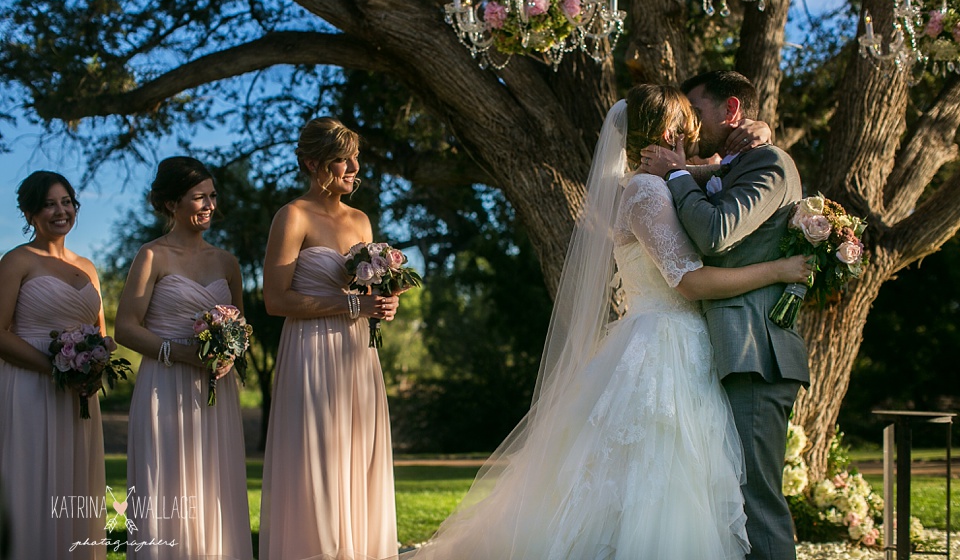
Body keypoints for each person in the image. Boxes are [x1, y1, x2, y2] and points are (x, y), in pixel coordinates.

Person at [400, 85, 812, 560]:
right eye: (688, 123)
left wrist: (755, 135)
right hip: (662, 346)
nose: (696, 134)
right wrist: (778, 270)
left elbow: (715, 172)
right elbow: (691, 283)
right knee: (648, 483)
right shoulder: (645, 190)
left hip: (685, 344)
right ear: (665, 132)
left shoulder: (662, 182)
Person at [640, 70, 808, 560]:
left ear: (730, 110)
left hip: (756, 352)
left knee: (757, 506)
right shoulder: (733, 166)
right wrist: (679, 172)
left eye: (697, 112)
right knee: (730, 504)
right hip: (728, 351)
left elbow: (715, 232)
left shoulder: (770, 163)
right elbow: (710, 180)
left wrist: (673, 174)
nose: (690, 127)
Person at [259, 117, 400, 560]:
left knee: (359, 454)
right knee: (315, 459)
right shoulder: (293, 216)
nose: (355, 167)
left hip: (358, 354)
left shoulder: (361, 221)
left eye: (355, 157)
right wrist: (352, 307)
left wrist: (385, 304)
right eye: (343, 159)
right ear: (312, 163)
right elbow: (275, 300)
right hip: (310, 351)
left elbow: (367, 292)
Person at [115, 157, 252, 560]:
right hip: (165, 385)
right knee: (169, 485)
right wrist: (184, 355)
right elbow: (126, 327)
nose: (209, 205)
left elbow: (242, 328)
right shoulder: (152, 256)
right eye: (198, 197)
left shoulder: (226, 262)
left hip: (216, 391)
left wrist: (232, 352)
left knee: (215, 485)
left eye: (212, 196)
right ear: (172, 203)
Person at [0, 171, 107, 559]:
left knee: (74, 485)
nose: (60, 211)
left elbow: (101, 334)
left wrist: (94, 368)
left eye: (67, 202)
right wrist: (55, 367)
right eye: (49, 203)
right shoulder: (17, 261)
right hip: (30, 387)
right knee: (32, 481)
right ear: (30, 214)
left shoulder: (88, 267)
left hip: (79, 394)